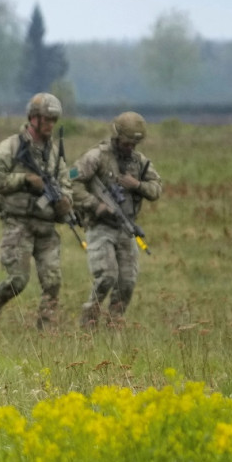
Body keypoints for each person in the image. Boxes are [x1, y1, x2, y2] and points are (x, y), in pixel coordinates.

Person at [0, 93, 74, 331]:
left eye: (53, 120)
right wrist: (25, 180)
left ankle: (46, 329)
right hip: (18, 223)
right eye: (46, 119)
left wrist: (65, 201)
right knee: (17, 281)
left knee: (53, 281)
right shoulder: (10, 147)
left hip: (46, 226)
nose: (50, 124)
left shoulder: (53, 153)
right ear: (33, 118)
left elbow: (66, 182)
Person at [70, 111, 163, 327]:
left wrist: (137, 185)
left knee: (127, 282)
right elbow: (70, 180)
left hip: (126, 228)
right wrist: (95, 205)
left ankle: (114, 327)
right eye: (127, 142)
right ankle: (88, 322)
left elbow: (156, 188)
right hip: (99, 227)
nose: (130, 147)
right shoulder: (95, 157)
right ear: (117, 136)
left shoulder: (140, 162)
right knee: (106, 276)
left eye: (135, 143)